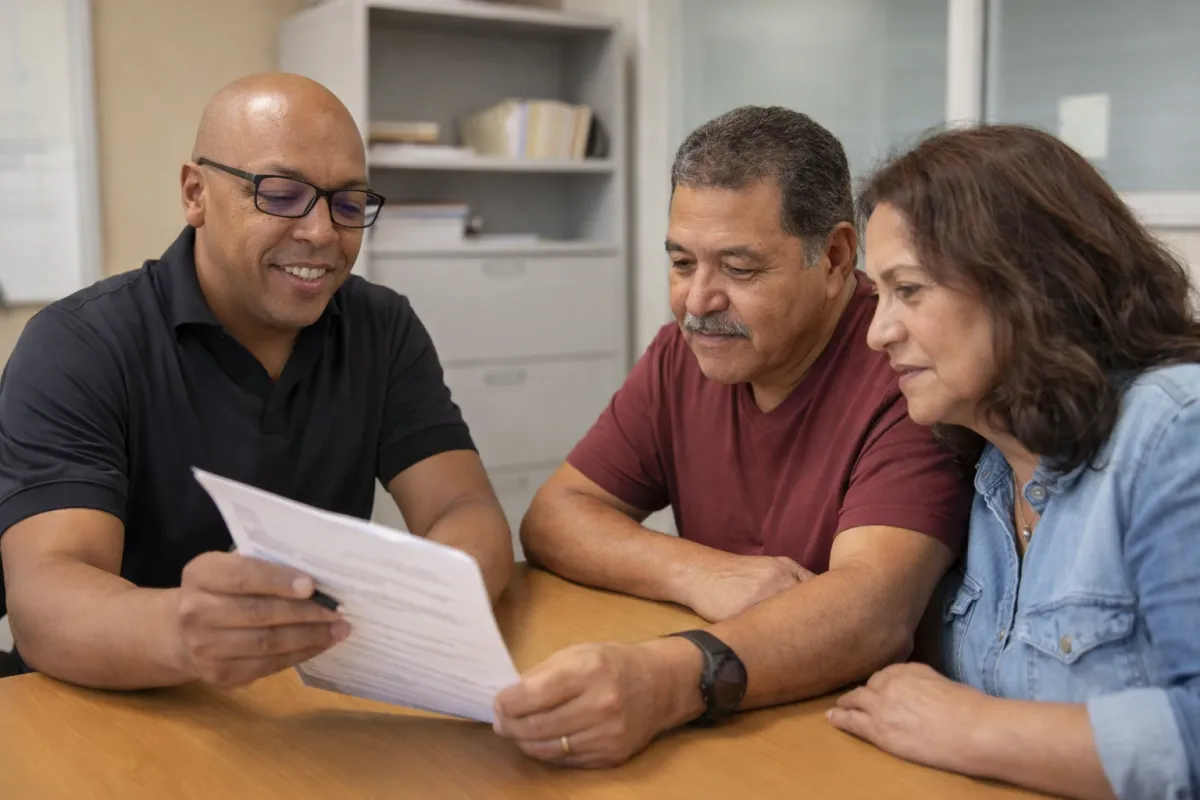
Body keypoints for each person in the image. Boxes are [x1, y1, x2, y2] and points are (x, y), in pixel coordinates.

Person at [491, 106, 975, 767]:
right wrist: (699, 572)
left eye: (739, 269)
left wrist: (666, 680)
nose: (696, 302)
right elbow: (554, 516)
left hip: (851, 740)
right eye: (683, 262)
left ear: (834, 258)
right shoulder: (681, 355)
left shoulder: (908, 370)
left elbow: (872, 607)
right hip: (731, 719)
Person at [0, 73, 512, 690]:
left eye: (348, 203)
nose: (322, 232)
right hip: (113, 709)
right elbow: (45, 598)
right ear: (195, 194)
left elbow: (464, 506)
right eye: (281, 193)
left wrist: (422, 611)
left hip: (310, 700)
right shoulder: (79, 344)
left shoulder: (381, 326)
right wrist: (184, 631)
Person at [829, 124, 1200, 800]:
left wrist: (972, 728)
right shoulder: (993, 466)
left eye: (908, 290)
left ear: (1028, 284)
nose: (878, 331)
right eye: (878, 295)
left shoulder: (1174, 430)